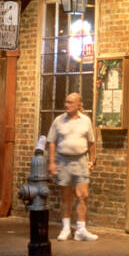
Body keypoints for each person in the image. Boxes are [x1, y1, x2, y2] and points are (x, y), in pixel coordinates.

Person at [47, 92, 97, 241]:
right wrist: (51, 162)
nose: (66, 105)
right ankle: (66, 228)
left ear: (78, 105)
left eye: (70, 103)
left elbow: (92, 142)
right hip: (63, 161)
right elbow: (52, 142)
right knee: (66, 196)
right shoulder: (58, 121)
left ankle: (81, 230)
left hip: (81, 160)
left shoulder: (86, 121)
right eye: (66, 102)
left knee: (83, 196)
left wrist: (92, 160)